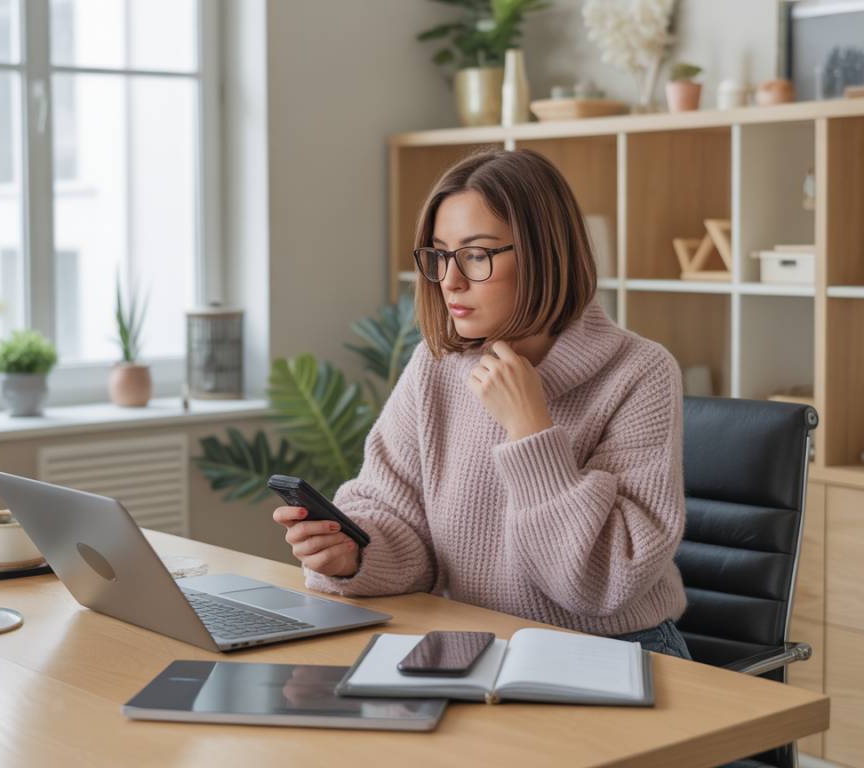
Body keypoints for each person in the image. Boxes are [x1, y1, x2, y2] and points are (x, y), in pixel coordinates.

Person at [272, 149, 691, 659]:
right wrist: (352, 555)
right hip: (477, 643)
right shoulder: (436, 365)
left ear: (544, 254)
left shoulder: (639, 372)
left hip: (618, 650)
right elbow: (394, 518)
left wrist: (530, 428)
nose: (450, 280)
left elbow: (600, 584)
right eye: (440, 255)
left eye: (476, 254)